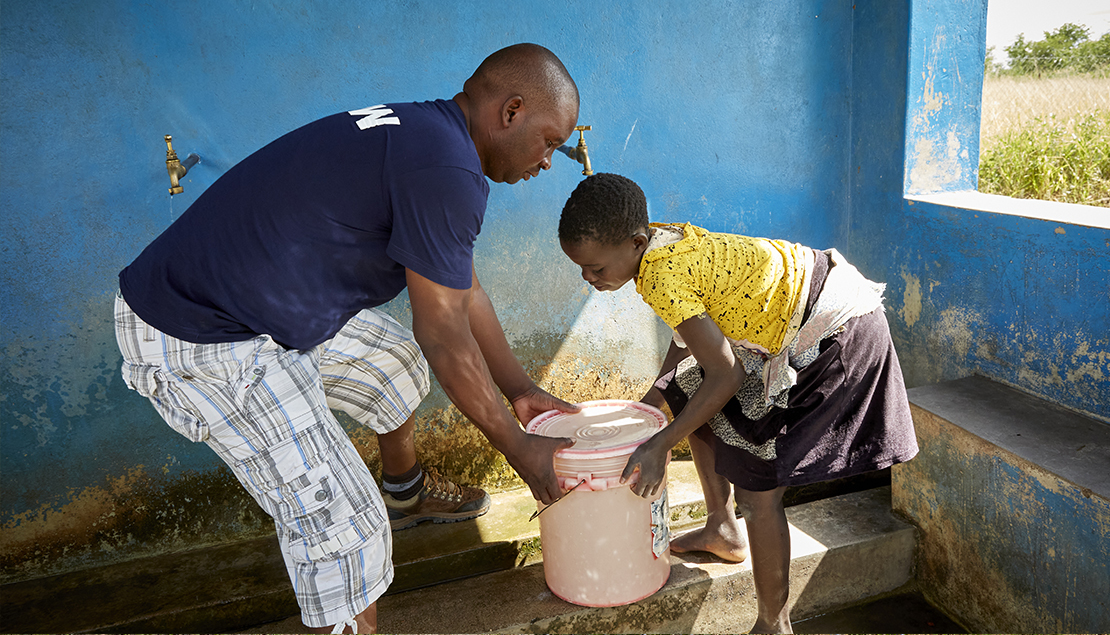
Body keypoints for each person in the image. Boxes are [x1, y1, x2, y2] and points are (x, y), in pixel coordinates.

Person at [115, 43, 582, 634]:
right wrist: (520, 451)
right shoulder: (446, 167)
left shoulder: (435, 137)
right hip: (200, 334)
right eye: (550, 140)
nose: (550, 160)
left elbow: (464, 289)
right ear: (511, 111)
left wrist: (520, 388)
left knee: (392, 365)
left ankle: (405, 495)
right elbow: (442, 330)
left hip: (250, 306)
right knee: (347, 529)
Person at [557, 173, 918, 634]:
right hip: (798, 313)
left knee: (758, 485)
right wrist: (649, 410)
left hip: (835, 330)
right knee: (687, 391)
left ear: (635, 243)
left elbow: (727, 373)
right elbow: (688, 339)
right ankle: (720, 529)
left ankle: (774, 623)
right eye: (581, 269)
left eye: (597, 269)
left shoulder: (659, 275)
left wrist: (661, 441)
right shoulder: (660, 244)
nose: (589, 279)